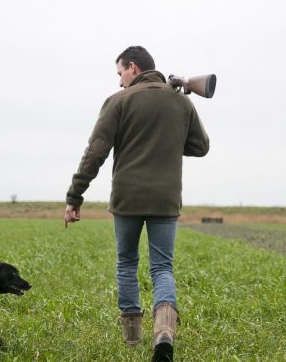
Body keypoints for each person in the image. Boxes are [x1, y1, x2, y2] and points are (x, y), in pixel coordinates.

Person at [64, 46, 209, 362]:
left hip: (127, 198)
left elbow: (95, 153)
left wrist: (75, 196)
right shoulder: (181, 101)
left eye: (119, 73)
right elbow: (201, 146)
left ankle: (132, 339)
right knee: (162, 268)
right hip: (166, 199)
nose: (119, 82)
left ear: (132, 67)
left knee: (127, 263)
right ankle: (165, 334)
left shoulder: (118, 102)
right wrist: (169, 130)